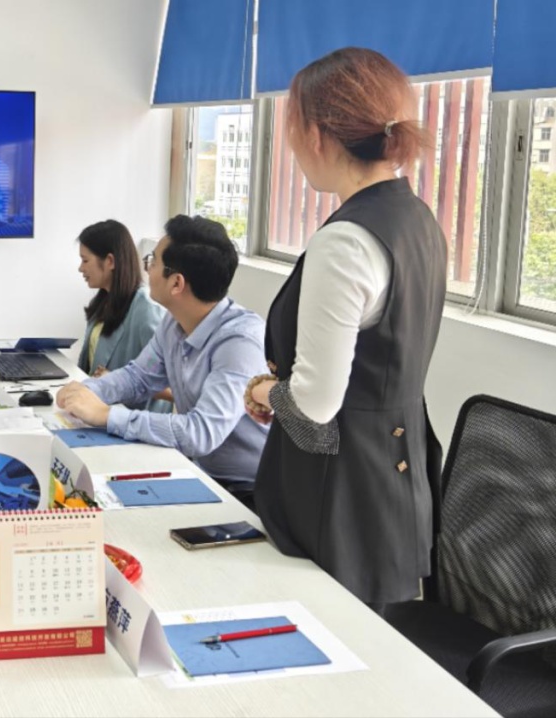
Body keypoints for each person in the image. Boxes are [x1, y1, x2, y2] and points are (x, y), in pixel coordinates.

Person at [245, 47, 446, 607]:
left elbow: (314, 406)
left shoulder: (345, 241)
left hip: (341, 493)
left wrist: (263, 390)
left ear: (316, 134)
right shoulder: (417, 218)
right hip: (399, 478)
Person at [57, 215, 269, 501]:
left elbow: (200, 433)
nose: (147, 269)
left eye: (153, 261)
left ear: (176, 283)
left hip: (251, 492)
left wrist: (107, 415)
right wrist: (87, 391)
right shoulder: (173, 323)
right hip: (202, 472)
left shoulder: (239, 343)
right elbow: (138, 377)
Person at [75, 219, 164, 378]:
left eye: (85, 260)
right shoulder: (103, 301)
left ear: (110, 261)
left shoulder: (146, 309)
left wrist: (114, 378)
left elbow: (161, 376)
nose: (80, 268)